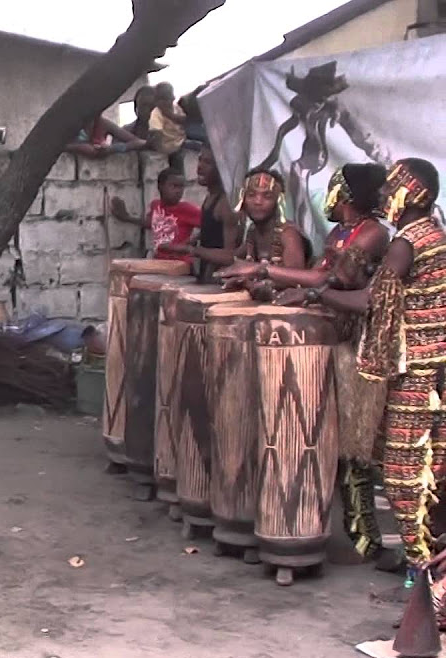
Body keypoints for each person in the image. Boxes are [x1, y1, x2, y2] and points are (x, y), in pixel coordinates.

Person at [222, 163, 391, 561]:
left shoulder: (372, 234)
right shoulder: (340, 232)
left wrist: (264, 270)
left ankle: (371, 542)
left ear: (346, 195)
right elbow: (317, 277)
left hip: (359, 347)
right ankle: (312, 525)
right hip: (331, 340)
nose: (328, 195)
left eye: (334, 187)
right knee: (320, 437)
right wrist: (289, 288)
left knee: (356, 448)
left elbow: (324, 282)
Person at [287, 159, 444, 578]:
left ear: (411, 194)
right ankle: (429, 564)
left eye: (391, 184)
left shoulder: (406, 242)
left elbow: (370, 303)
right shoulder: (433, 233)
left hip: (418, 374)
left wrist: (319, 297)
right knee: (431, 468)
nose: (381, 193)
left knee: (402, 474)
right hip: (434, 368)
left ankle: (421, 572)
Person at [180, 169, 311, 298]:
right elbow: (233, 257)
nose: (258, 201)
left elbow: (296, 278)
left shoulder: (288, 234)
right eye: (251, 195)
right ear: (243, 198)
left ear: (278, 201)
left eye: (267, 196)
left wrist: (254, 276)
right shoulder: (254, 230)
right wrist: (191, 250)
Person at [109, 168, 202, 266]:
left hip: (181, 264)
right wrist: (126, 217)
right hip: (160, 261)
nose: (178, 191)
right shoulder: (156, 205)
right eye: (174, 186)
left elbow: (210, 226)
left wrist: (191, 241)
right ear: (160, 186)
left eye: (181, 187)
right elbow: (151, 222)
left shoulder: (187, 209)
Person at [193, 146, 241, 283]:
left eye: (207, 162)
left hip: (219, 279)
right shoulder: (211, 197)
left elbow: (230, 256)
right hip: (206, 273)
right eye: (200, 160)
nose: (200, 166)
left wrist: (192, 250)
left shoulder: (225, 204)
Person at [66, 114, 146, 159]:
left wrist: (111, 149)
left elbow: (139, 142)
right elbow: (55, 145)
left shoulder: (102, 124)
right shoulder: (70, 124)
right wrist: (78, 148)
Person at [147, 82, 187, 171]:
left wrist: (171, 115)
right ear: (156, 101)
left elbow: (184, 120)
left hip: (181, 141)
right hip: (168, 146)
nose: (166, 102)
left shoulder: (176, 108)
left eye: (168, 98)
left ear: (173, 98)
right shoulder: (156, 114)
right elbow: (157, 132)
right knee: (177, 161)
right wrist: (160, 150)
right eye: (162, 99)